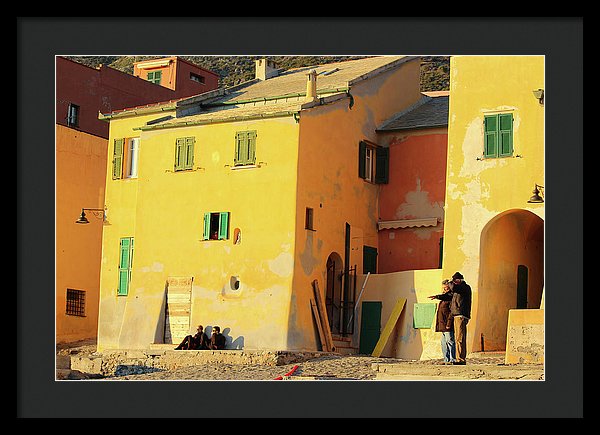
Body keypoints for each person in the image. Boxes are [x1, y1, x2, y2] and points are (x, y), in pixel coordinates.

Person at [428, 279, 456, 364]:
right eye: (443, 289)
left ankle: (452, 359)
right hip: (442, 325)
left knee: (450, 342)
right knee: (444, 343)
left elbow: (451, 313)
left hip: (447, 325)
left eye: (446, 288)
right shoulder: (443, 300)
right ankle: (446, 359)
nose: (444, 290)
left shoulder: (450, 298)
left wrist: (448, 324)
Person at [449, 272, 472, 365]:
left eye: (455, 280)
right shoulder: (459, 289)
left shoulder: (464, 287)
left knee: (460, 338)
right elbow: (449, 295)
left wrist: (450, 282)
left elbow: (453, 288)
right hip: (456, 314)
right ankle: (459, 358)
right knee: (458, 338)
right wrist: (438, 297)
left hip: (461, 315)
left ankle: (461, 359)